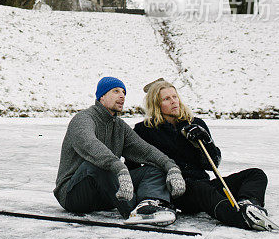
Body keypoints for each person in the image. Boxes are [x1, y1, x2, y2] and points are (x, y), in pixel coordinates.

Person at [126, 78, 274, 231]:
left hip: (202, 182)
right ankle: (237, 217)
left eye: (175, 97)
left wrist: (206, 141)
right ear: (156, 104)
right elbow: (133, 166)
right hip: (178, 190)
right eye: (166, 99)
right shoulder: (144, 130)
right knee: (202, 190)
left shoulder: (194, 124)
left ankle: (249, 205)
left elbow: (212, 164)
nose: (173, 101)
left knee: (256, 174)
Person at [54, 76, 186, 226]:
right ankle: (133, 212)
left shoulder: (120, 126)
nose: (122, 96)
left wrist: (171, 167)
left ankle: (148, 204)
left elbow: (146, 151)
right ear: (102, 96)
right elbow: (90, 145)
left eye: (123, 92)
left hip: (104, 194)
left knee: (153, 169)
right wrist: (119, 168)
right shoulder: (82, 119)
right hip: (74, 194)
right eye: (116, 91)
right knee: (96, 165)